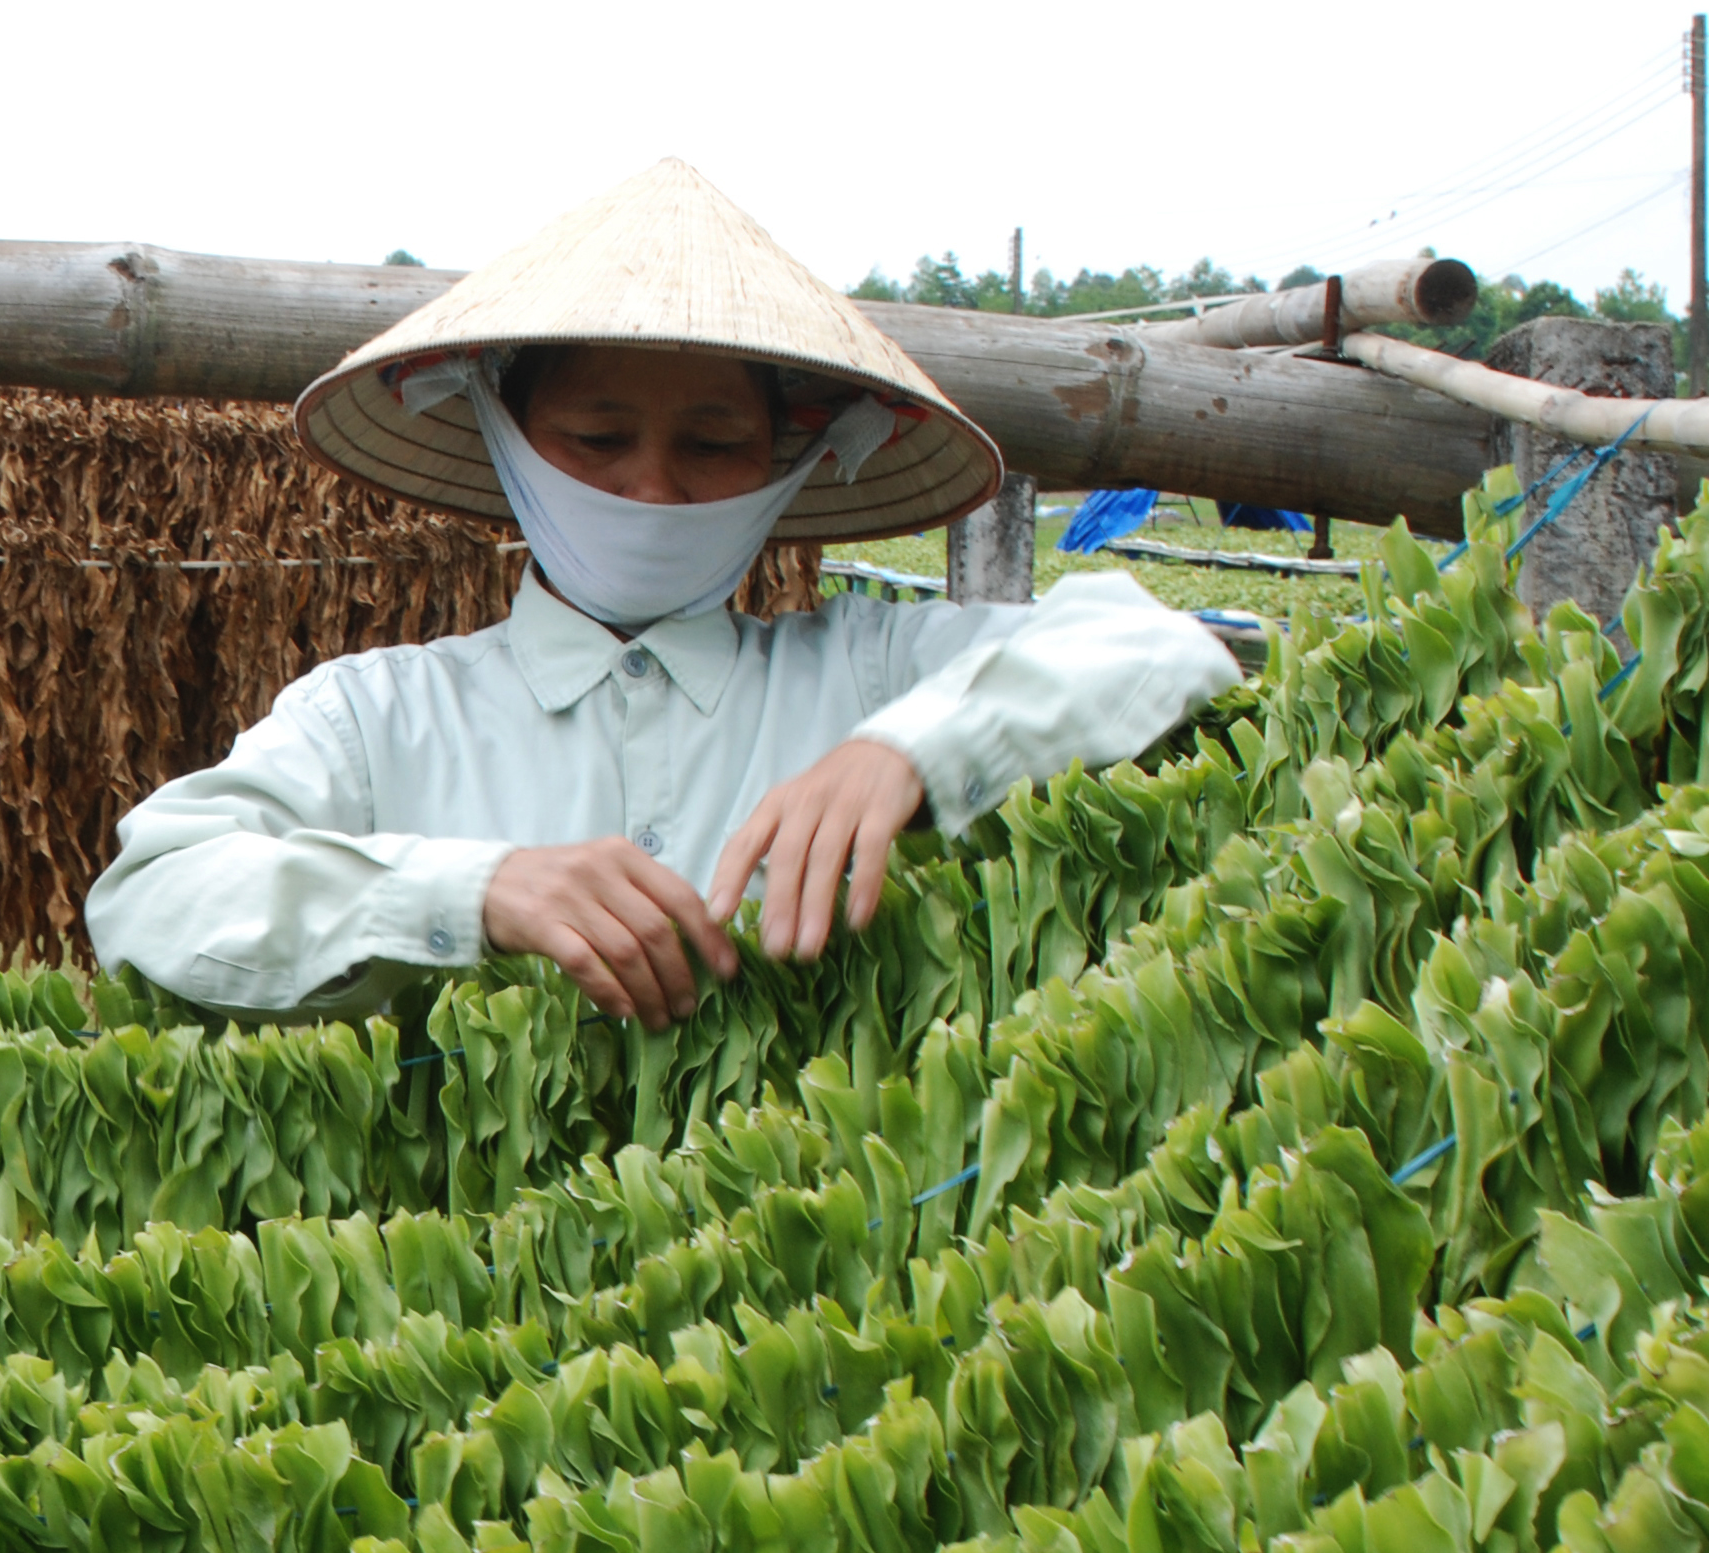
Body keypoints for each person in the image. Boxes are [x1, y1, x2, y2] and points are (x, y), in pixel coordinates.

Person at [82, 160, 1239, 1025]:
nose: (650, 486)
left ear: (784, 466)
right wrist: (475, 889)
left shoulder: (867, 674)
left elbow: (1152, 648)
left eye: (712, 444)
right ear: (508, 442)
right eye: (595, 437)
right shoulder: (379, 720)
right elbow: (151, 898)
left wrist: (912, 753)